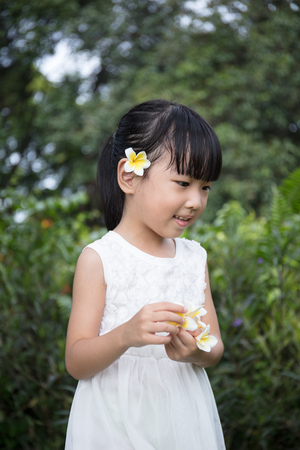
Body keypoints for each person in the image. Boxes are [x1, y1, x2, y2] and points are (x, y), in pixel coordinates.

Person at [64, 99, 226, 449]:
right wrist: (126, 335)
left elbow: (214, 348)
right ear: (130, 176)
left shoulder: (193, 258)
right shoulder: (100, 258)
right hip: (112, 419)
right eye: (183, 183)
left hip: (182, 417)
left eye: (205, 187)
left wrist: (195, 351)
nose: (196, 200)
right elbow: (76, 361)